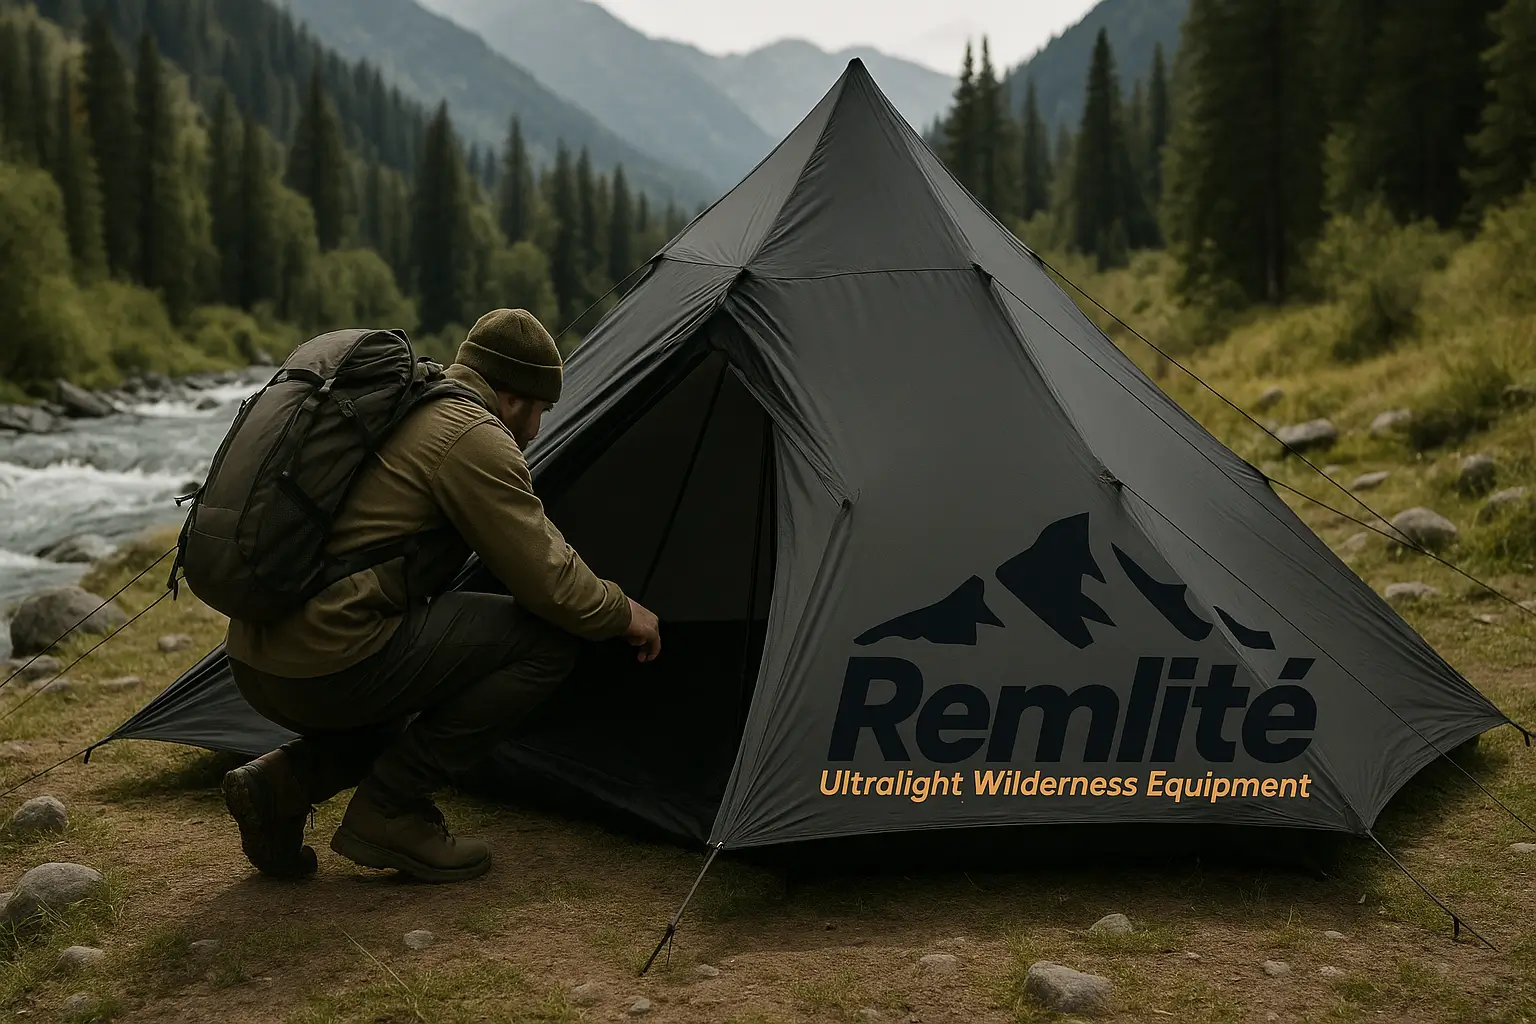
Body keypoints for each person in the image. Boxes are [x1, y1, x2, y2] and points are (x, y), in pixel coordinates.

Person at [218, 308, 662, 883]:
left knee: (419, 671)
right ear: (516, 397)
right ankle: (390, 810)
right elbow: (548, 581)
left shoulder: (408, 404)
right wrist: (622, 611)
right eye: (542, 409)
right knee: (546, 643)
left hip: (255, 656)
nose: (538, 428)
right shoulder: (472, 436)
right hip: (323, 667)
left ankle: (279, 785)